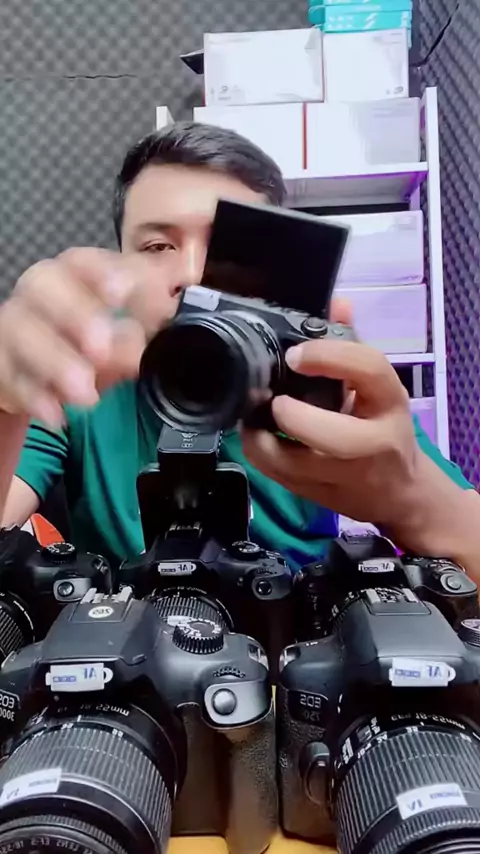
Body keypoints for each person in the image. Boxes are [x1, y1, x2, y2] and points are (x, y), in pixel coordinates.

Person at [0, 122, 479, 577]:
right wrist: (6, 402)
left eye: (223, 247)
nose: (191, 275)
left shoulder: (324, 376)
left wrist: (412, 501)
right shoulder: (80, 376)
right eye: (157, 247)